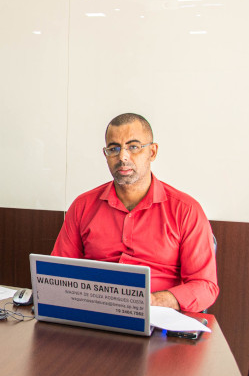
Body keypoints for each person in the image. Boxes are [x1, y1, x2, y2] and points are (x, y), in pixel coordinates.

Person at [51, 113, 218, 312]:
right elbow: (58, 275)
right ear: (106, 155)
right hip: (93, 315)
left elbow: (205, 286)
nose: (122, 156)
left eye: (134, 147)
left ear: (152, 152)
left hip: (159, 319)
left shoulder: (186, 210)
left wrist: (151, 302)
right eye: (114, 148)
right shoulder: (82, 206)